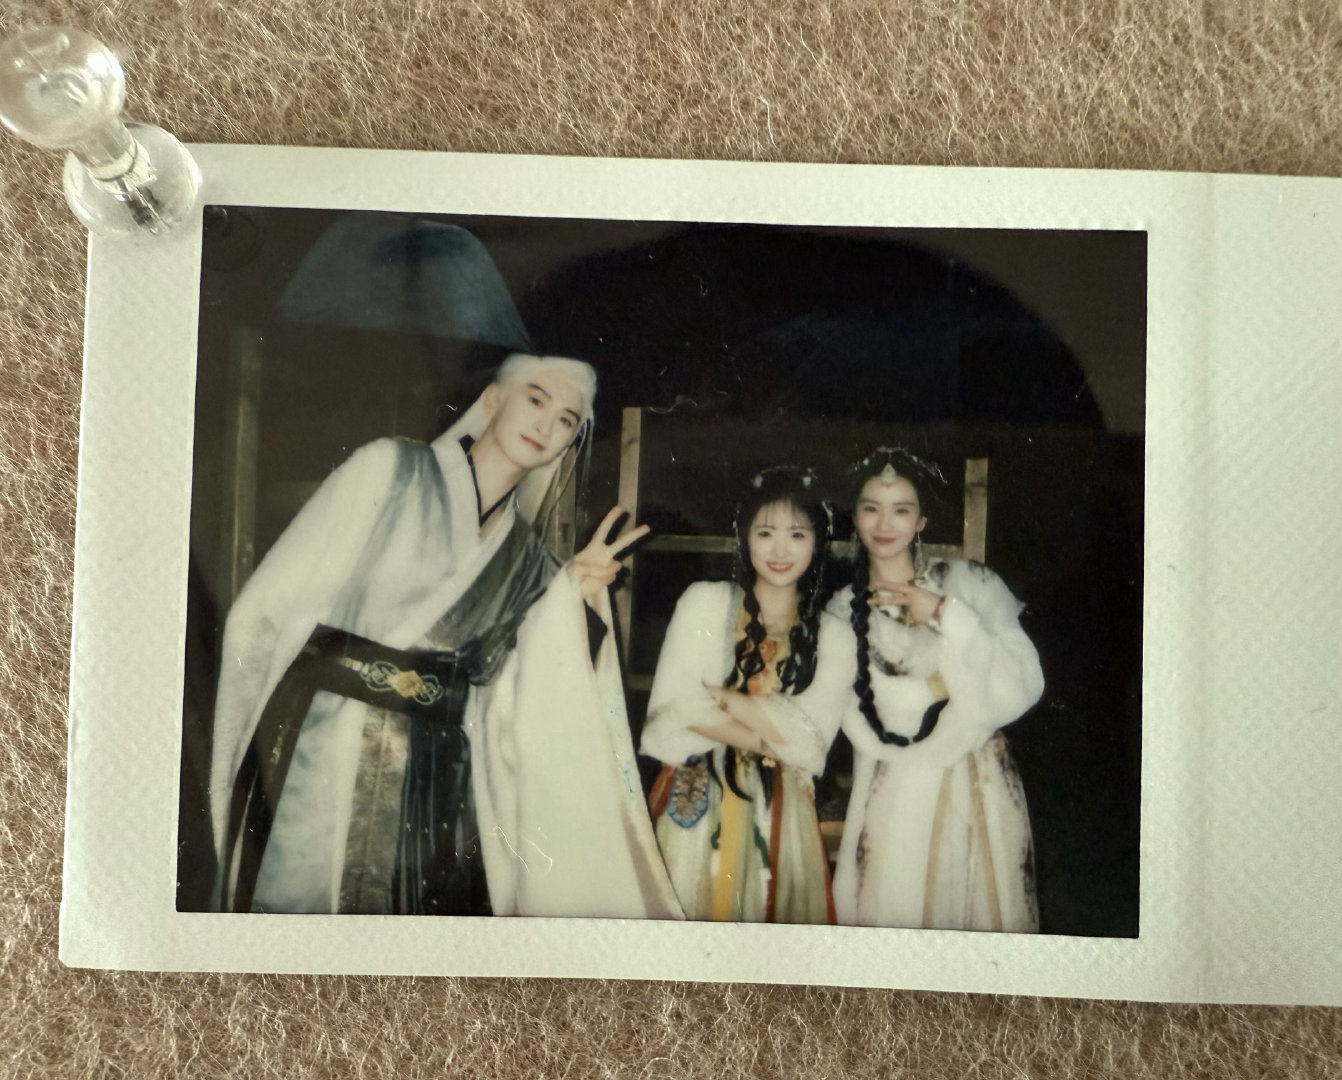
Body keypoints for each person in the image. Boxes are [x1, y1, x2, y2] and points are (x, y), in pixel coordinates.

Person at [209, 353, 681, 920]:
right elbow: (270, 606)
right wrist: (243, 738)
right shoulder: (388, 470)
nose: (547, 424)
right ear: (493, 399)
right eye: (536, 399)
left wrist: (569, 599)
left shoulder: (532, 564)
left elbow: (511, 692)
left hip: (435, 779)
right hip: (321, 745)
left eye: (566, 420)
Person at [713, 448, 1044, 931]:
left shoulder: (970, 583)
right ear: (856, 516)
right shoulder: (841, 612)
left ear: (921, 520)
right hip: (894, 791)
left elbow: (1024, 686)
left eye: (901, 510)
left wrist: (946, 615)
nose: (885, 524)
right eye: (871, 508)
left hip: (978, 787)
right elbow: (857, 720)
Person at [640, 468, 838, 924]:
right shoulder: (704, 603)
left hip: (781, 815)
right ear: (745, 537)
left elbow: (812, 746)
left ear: (817, 542)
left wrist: (724, 699)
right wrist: (768, 739)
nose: (780, 551)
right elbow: (670, 713)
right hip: (694, 799)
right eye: (765, 533)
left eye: (797, 534)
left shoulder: (834, 635)